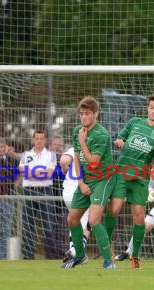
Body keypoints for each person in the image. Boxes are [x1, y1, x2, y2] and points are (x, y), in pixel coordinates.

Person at [104, 95, 154, 269]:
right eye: (151, 107)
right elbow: (120, 139)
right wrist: (119, 141)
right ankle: (107, 250)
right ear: (148, 108)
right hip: (121, 172)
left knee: (138, 217)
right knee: (114, 209)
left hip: (141, 178)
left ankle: (134, 255)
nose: (153, 110)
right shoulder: (134, 122)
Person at [61, 96, 115, 269]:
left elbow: (93, 163)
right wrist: (81, 183)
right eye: (81, 114)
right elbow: (77, 158)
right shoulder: (77, 130)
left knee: (94, 219)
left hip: (103, 180)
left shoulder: (101, 134)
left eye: (87, 114)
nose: (83, 117)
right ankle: (80, 257)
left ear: (95, 114)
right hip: (86, 180)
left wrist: (83, 142)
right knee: (72, 219)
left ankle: (108, 261)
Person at [19, 130, 60, 260]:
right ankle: (28, 256)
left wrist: (32, 174)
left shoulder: (51, 155)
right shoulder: (26, 155)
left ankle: (51, 256)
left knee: (49, 224)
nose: (39, 141)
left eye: (42, 138)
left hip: (45, 191)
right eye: (37, 138)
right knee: (28, 225)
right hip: (29, 191)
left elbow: (48, 174)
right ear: (33, 140)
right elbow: (23, 173)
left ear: (45, 140)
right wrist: (39, 173)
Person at [59, 146, 91, 262]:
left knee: (75, 221)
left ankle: (75, 253)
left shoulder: (74, 148)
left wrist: (64, 170)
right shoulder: (95, 148)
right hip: (80, 192)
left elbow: (63, 161)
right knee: (89, 222)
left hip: (67, 192)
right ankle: (75, 251)